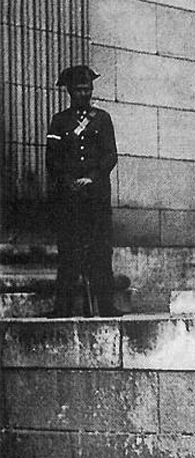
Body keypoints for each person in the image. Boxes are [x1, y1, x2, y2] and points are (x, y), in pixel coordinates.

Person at [46, 65, 120, 317]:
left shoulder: (102, 119)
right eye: (78, 90)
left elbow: (111, 155)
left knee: (101, 248)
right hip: (68, 197)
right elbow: (52, 159)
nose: (84, 94)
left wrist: (91, 178)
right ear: (69, 92)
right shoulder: (60, 121)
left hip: (96, 195)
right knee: (68, 250)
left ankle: (107, 306)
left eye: (87, 89)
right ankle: (62, 308)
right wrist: (68, 181)